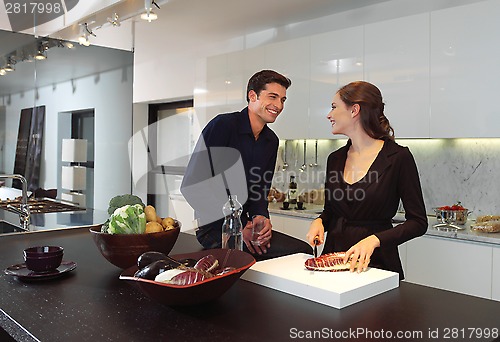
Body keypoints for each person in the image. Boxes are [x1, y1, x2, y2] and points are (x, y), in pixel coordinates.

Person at [181, 69, 311, 260]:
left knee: (302, 252)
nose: (279, 105)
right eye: (273, 97)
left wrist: (261, 218)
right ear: (252, 96)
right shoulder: (222, 126)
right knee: (295, 254)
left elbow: (260, 189)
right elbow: (192, 185)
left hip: (246, 226)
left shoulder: (271, 141)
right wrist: (237, 226)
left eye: (283, 99)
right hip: (214, 229)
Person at [306, 81, 427, 279]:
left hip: (377, 263)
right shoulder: (335, 159)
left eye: (334, 107)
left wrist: (374, 240)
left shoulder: (398, 158)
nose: (329, 114)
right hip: (333, 261)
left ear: (354, 110)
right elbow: (331, 211)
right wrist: (319, 221)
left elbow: (418, 222)